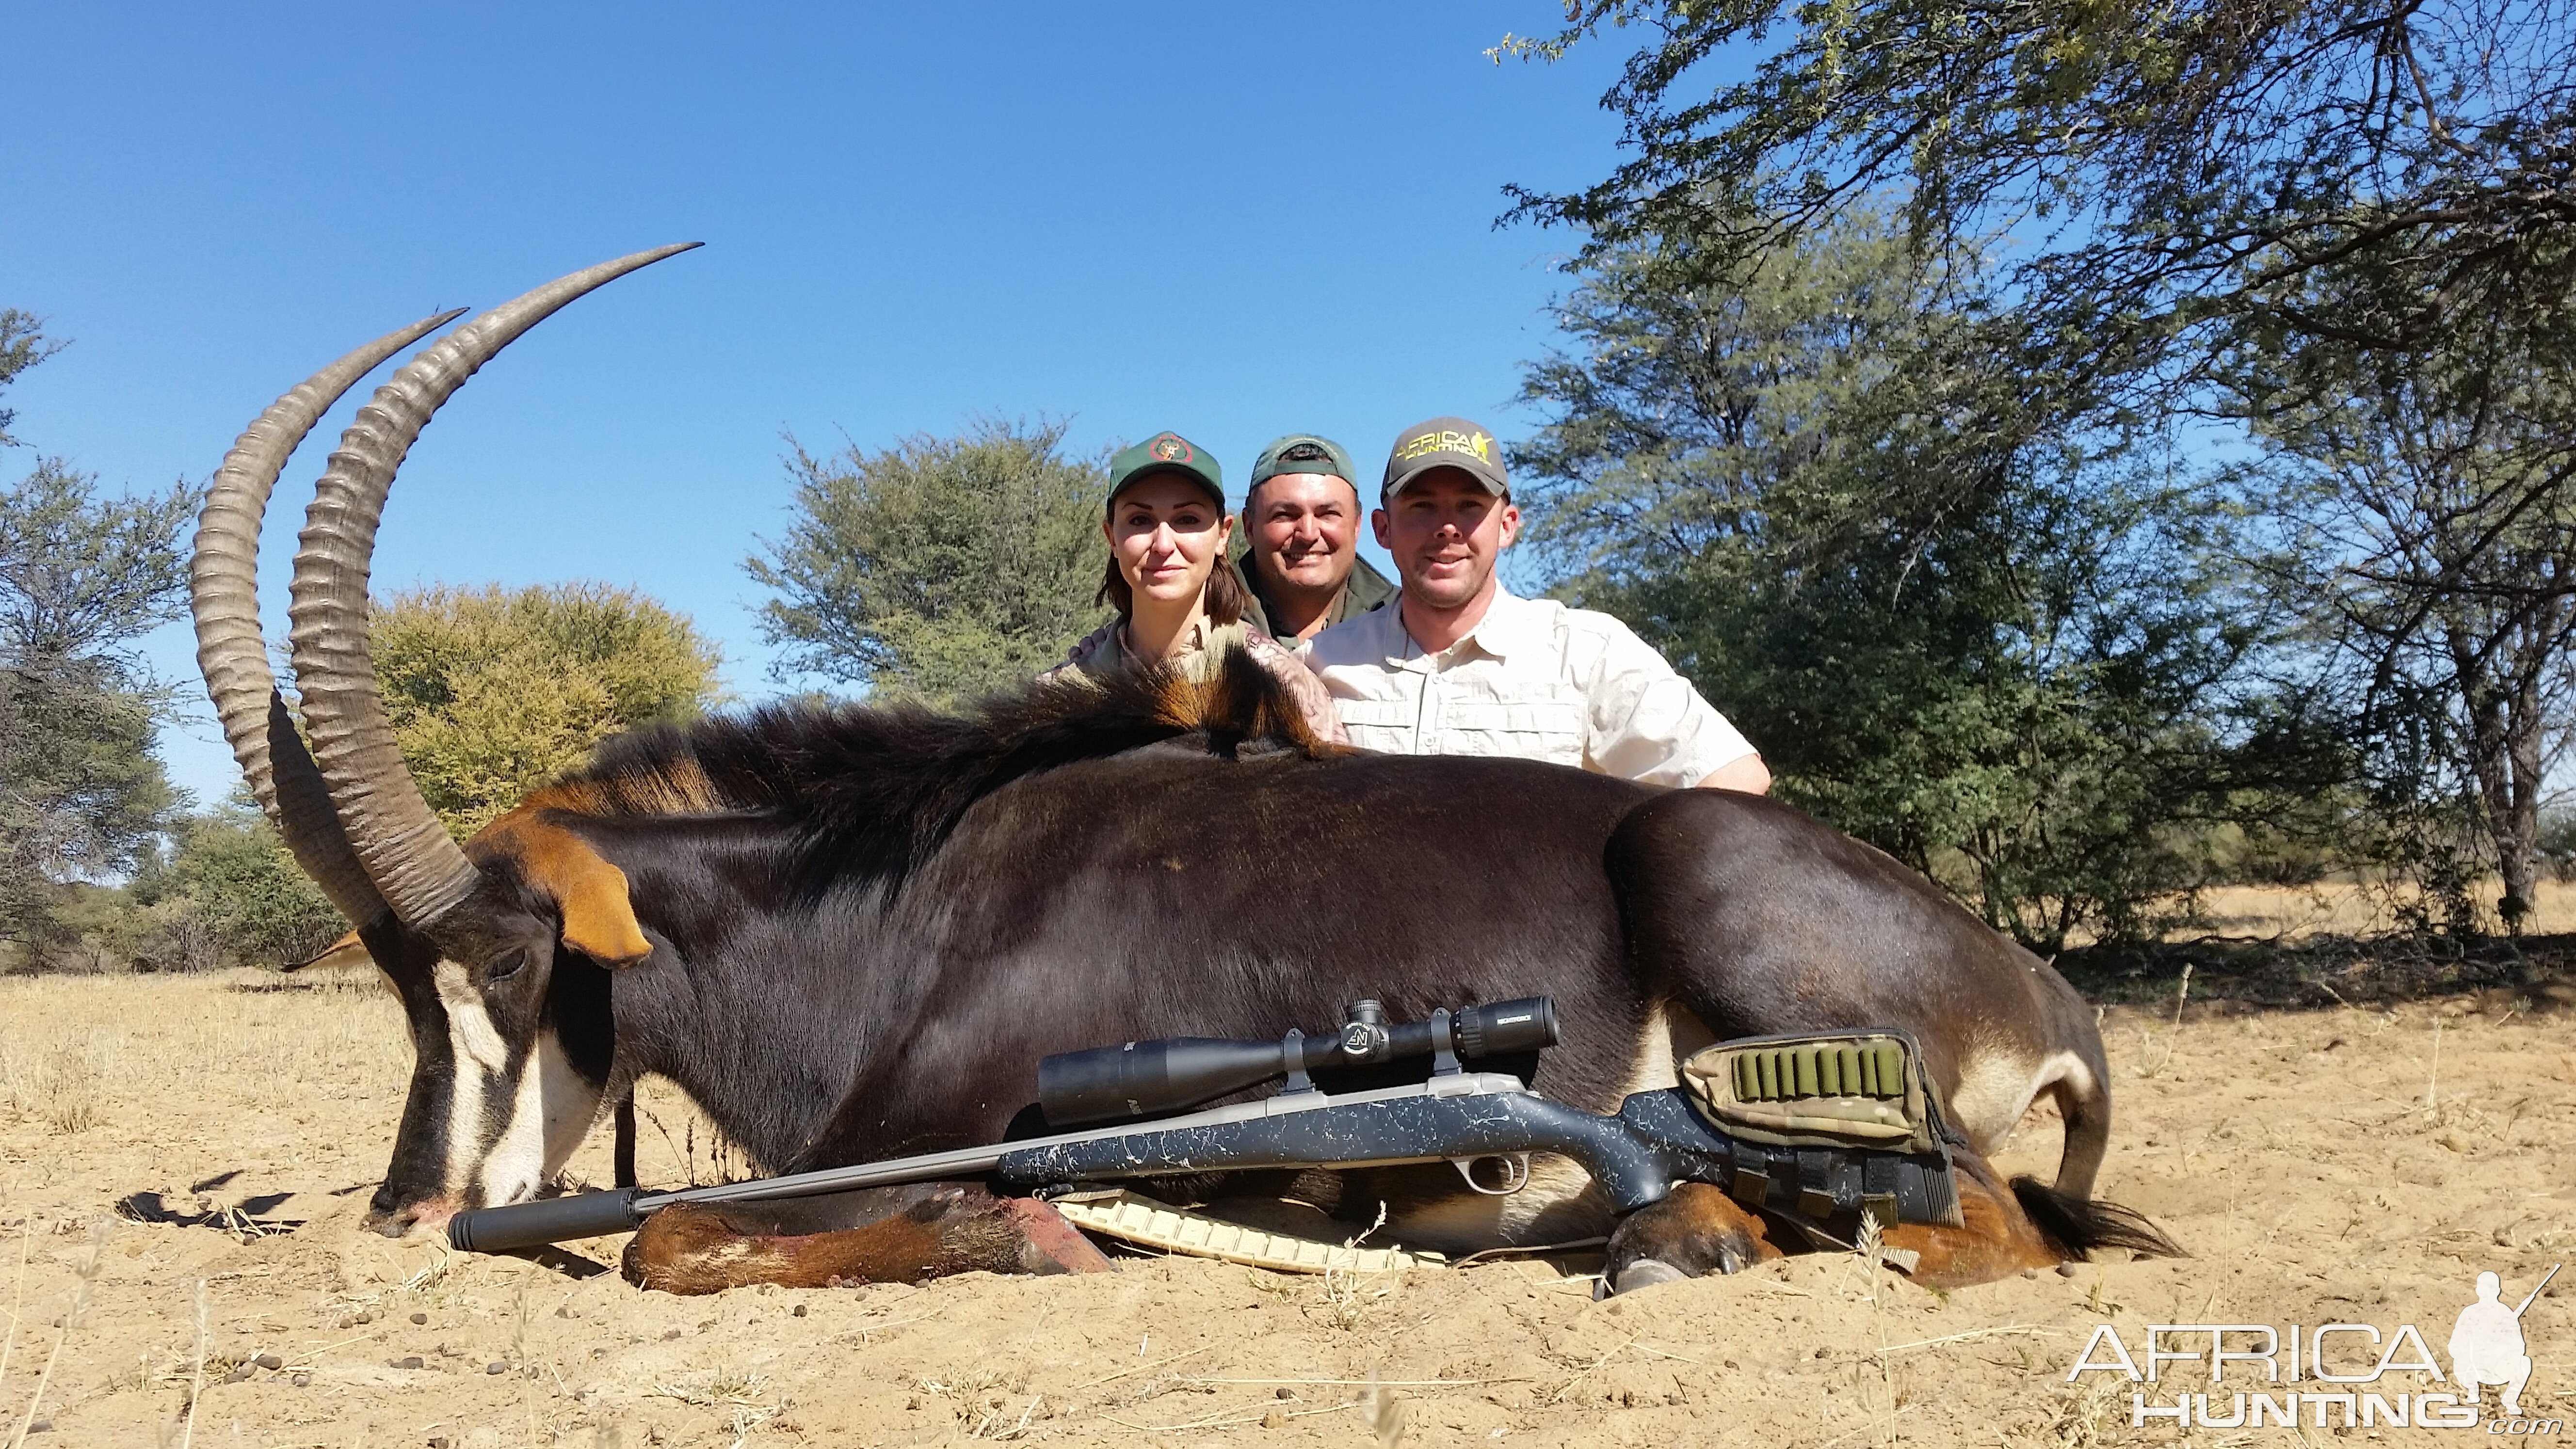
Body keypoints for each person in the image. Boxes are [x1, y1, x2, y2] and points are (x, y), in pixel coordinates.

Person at [1302, 416, 1769, 791]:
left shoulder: (1588, 654)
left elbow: (1734, 777)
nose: (1447, 527)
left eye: (1469, 506)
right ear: (1383, 529)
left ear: (1507, 526)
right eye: (1422, 507)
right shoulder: (1320, 666)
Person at [1050, 430, 1346, 744]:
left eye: (1187, 519)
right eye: (1140, 520)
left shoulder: (1285, 688)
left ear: (1223, 535)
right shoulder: (1063, 697)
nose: (1163, 544)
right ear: (1112, 538)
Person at [1231, 435, 1395, 643]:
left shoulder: (1405, 624)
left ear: (1357, 525)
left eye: (1328, 514)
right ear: (1249, 527)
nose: (1308, 534)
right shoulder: (1201, 618)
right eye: (1285, 515)